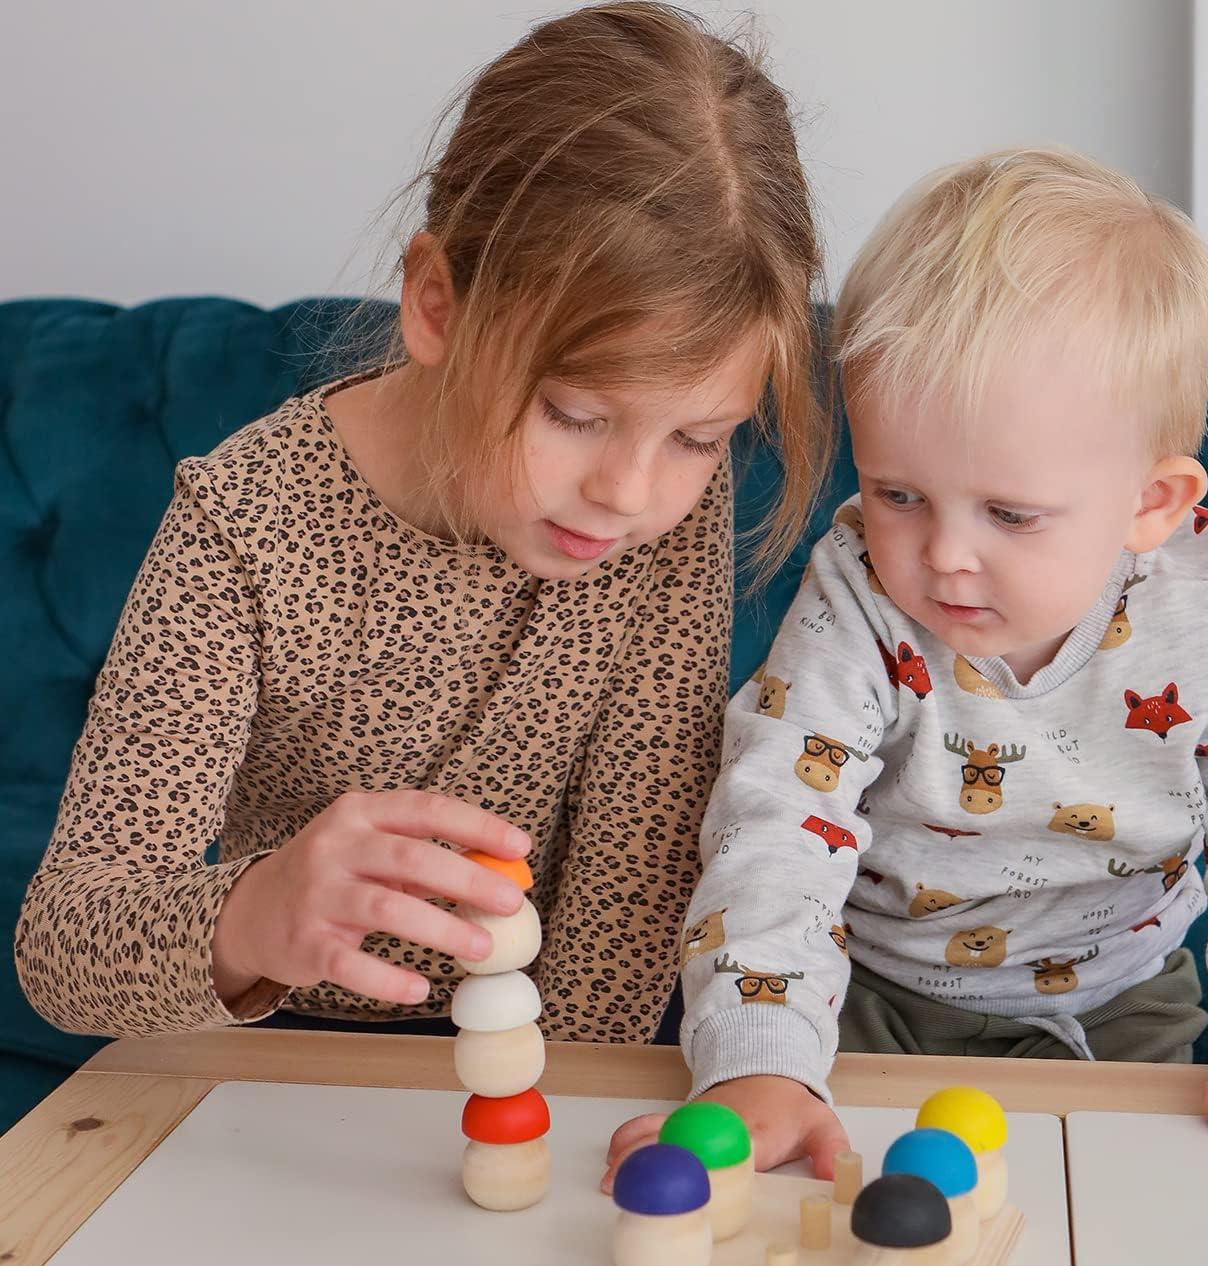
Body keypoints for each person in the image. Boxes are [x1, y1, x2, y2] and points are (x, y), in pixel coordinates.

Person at [606, 147, 1208, 1186]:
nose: (944, 553)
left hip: (1124, 1006)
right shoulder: (859, 593)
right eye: (899, 493)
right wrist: (762, 1062)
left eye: (1009, 514)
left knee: (1126, 1226)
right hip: (868, 1006)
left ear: (1151, 505)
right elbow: (774, 826)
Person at [16, 2, 828, 1047]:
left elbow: (627, 899)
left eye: (701, 437)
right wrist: (254, 916)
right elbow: (64, 946)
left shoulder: (665, 511)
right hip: (269, 1056)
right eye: (574, 415)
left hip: (523, 1052)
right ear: (437, 304)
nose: (632, 494)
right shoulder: (246, 519)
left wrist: (542, 1120)